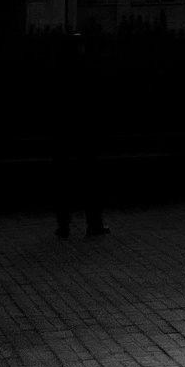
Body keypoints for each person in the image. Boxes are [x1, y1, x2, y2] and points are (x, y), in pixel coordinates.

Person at [54, 44, 107, 239]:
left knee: (63, 181)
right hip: (83, 133)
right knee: (90, 180)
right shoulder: (86, 74)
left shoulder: (60, 75)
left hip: (64, 133)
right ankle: (93, 224)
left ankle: (64, 226)